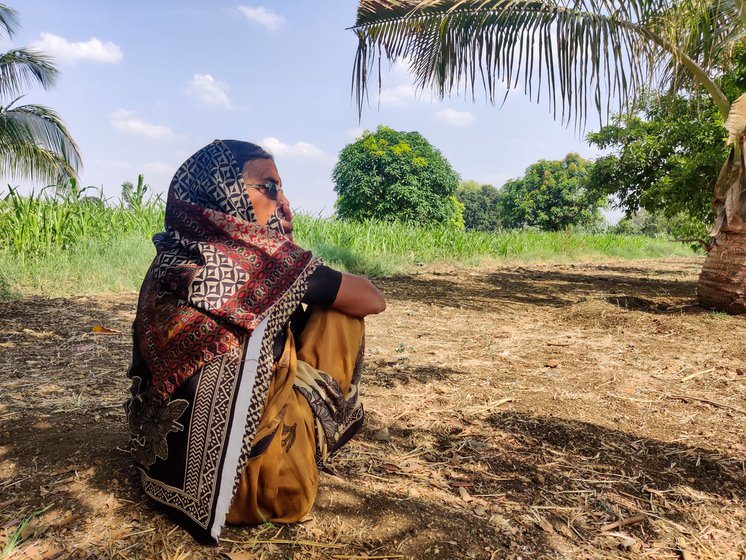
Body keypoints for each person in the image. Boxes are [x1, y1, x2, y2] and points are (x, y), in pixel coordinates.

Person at [125, 139, 385, 543]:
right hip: (263, 492)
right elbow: (372, 298)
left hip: (170, 481)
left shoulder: (170, 261)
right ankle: (304, 449)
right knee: (342, 312)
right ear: (225, 195)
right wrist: (296, 263)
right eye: (269, 188)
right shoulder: (261, 268)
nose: (283, 203)